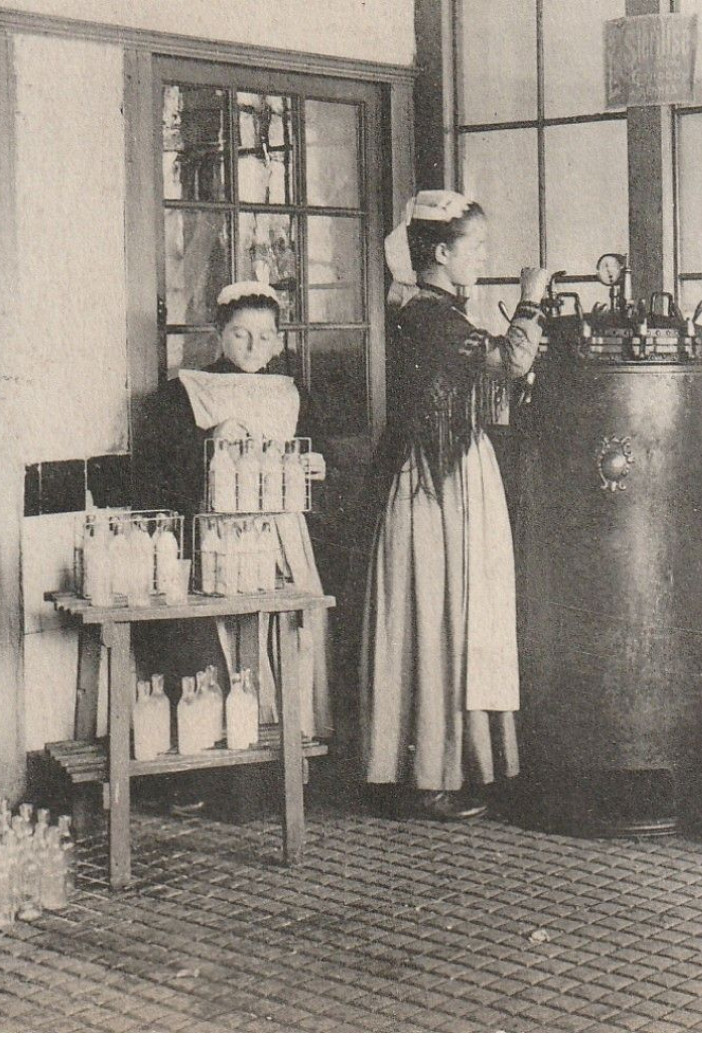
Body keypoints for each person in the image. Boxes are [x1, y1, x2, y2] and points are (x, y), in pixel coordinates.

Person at [362, 190, 550, 821]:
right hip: (436, 482)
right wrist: (532, 297)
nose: (484, 258)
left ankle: (450, 765)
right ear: (441, 253)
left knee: (453, 613)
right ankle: (429, 773)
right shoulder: (429, 318)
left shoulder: (430, 310)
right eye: (477, 248)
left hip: (452, 472)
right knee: (441, 614)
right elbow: (512, 361)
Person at [132, 280, 332, 743]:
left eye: (266, 337)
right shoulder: (186, 391)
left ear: (280, 340)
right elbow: (160, 472)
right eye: (241, 334)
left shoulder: (292, 393)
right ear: (218, 332)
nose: (253, 346)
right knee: (224, 635)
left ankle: (287, 743)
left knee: (284, 634)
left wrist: (318, 465)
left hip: (281, 534)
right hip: (218, 534)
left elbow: (316, 457)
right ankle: (227, 753)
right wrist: (210, 441)